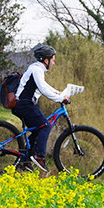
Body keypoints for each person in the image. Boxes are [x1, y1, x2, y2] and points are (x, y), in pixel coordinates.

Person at [11, 44, 70, 172]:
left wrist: (58, 93)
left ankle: (26, 160)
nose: (54, 62)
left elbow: (44, 86)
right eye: (53, 59)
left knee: (38, 130)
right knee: (46, 126)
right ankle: (39, 157)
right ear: (46, 60)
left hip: (26, 104)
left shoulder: (37, 69)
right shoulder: (37, 69)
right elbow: (43, 89)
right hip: (24, 104)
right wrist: (60, 99)